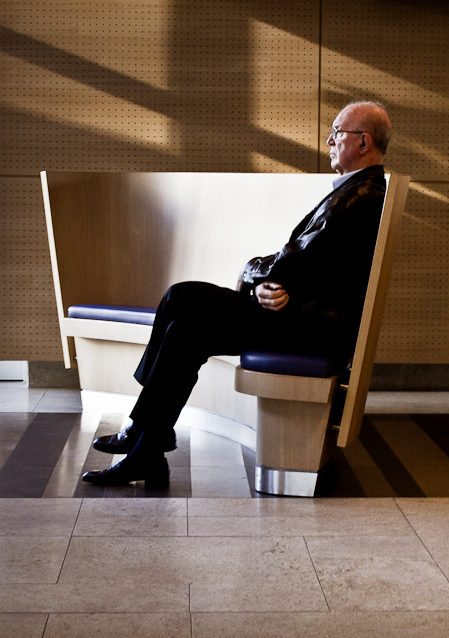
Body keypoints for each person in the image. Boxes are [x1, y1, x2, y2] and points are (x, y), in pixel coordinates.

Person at [82, 101, 393, 486]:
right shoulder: (359, 191)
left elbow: (291, 261)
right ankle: (148, 447)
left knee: (181, 296)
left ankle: (144, 430)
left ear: (363, 142)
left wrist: (252, 274)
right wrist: (266, 283)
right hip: (301, 315)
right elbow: (310, 265)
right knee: (184, 329)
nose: (329, 140)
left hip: (306, 327)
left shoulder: (359, 197)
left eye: (337, 132)